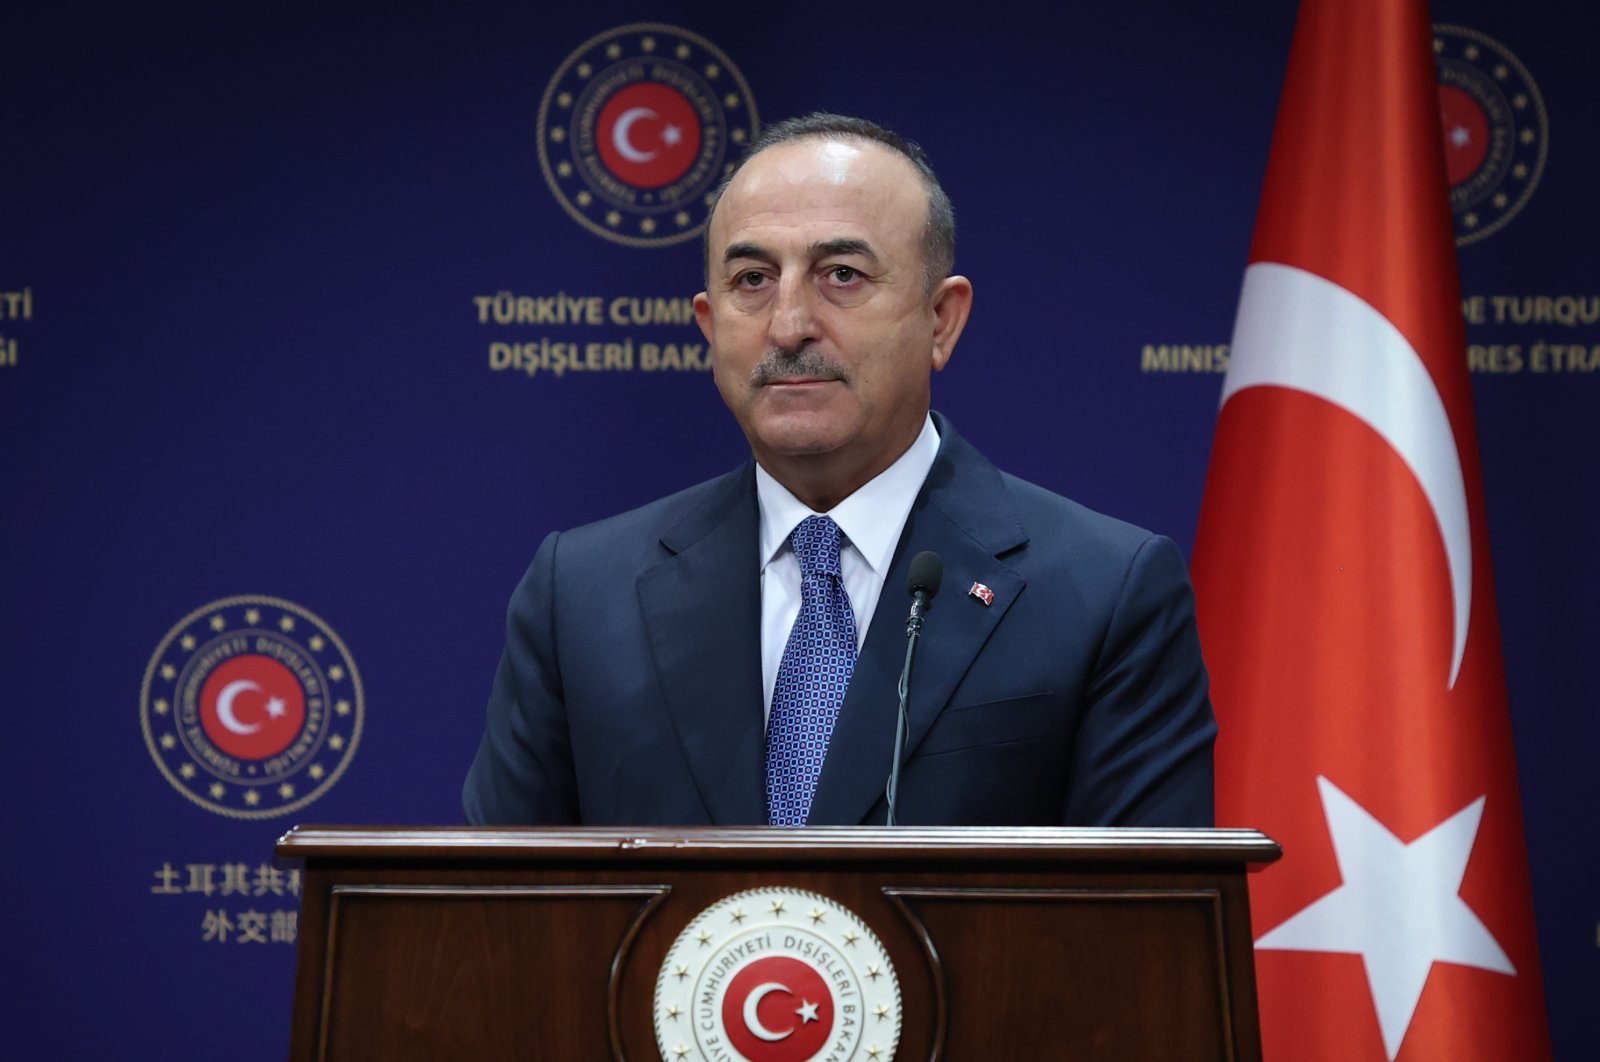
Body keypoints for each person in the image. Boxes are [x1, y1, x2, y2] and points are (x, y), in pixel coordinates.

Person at [463, 113, 1215, 827]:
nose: (789, 325)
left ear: (941, 320)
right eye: (753, 280)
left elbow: (1143, 940)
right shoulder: (581, 594)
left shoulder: (1104, 592)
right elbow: (495, 920)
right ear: (708, 325)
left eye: (843, 275)